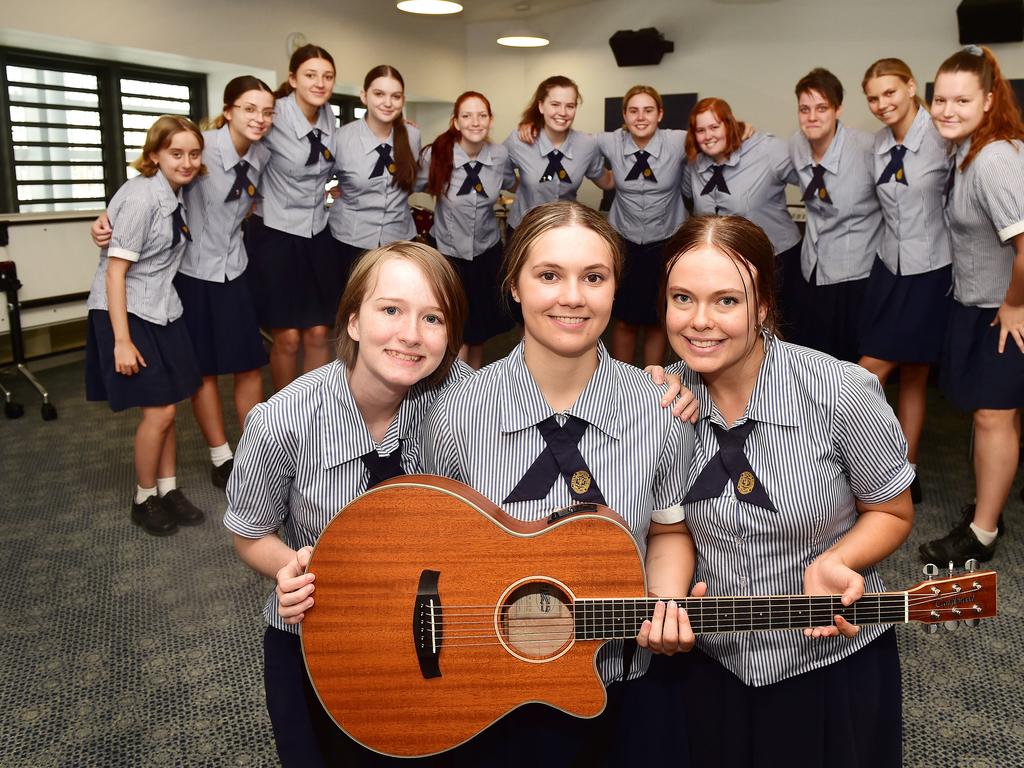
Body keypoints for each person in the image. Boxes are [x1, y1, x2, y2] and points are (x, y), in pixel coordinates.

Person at [421, 200, 697, 766]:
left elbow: (668, 531)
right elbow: (436, 549)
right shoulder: (455, 411)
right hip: (493, 687)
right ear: (515, 285)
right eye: (549, 275)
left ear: (615, 290)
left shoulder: (661, 409)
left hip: (622, 680)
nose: (573, 296)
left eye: (593, 277)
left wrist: (665, 601)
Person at [659, 214, 913, 767]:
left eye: (726, 301)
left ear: (765, 305)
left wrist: (838, 558)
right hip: (711, 662)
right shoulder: (657, 398)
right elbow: (668, 526)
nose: (700, 321)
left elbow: (892, 512)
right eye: (683, 298)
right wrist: (671, 594)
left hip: (824, 664)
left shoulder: (841, 391)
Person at [225, 241, 470, 766]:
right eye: (390, 310)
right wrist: (290, 567)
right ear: (353, 322)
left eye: (433, 317)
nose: (410, 334)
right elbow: (248, 532)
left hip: (434, 633)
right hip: (319, 638)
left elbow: (546, 386)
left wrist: (658, 384)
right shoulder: (283, 421)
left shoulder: (466, 399)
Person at [92, 76, 275, 489]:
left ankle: (256, 453)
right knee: (204, 371)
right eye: (249, 108)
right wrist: (105, 222)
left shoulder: (262, 153)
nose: (258, 118)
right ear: (228, 110)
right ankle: (220, 456)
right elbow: (146, 185)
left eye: (266, 111)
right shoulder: (200, 146)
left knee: (249, 365)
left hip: (235, 267)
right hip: (192, 275)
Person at [919, 45, 1024, 563]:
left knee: (993, 418)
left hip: (1002, 309)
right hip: (976, 302)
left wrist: (1015, 306)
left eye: (961, 100)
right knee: (989, 416)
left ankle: (982, 532)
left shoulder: (994, 159)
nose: (947, 110)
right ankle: (988, 506)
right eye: (939, 99)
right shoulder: (964, 150)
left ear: (988, 100)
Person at [84, 115, 207, 536]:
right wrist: (121, 340)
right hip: (127, 312)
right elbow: (114, 273)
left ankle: (168, 488)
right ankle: (144, 498)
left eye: (193, 153)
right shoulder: (142, 197)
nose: (186, 162)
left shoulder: (177, 192)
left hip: (163, 308)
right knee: (160, 411)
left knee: (172, 405)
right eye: (176, 153)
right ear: (153, 155)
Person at [857, 58, 953, 505]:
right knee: (906, 375)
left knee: (871, 371)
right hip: (888, 266)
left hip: (931, 269)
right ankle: (899, 473)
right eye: (873, 97)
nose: (882, 104)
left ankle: (895, 469)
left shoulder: (943, 136)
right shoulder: (878, 142)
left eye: (890, 93)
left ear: (912, 87)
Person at [245, 44, 338, 391]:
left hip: (317, 233)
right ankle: (284, 413)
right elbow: (235, 141)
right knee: (287, 339)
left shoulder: (329, 115)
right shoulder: (274, 115)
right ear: (292, 79)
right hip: (276, 235)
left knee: (318, 332)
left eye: (327, 76)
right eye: (311, 75)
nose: (320, 82)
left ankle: (312, 408)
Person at [684, 97, 802, 338]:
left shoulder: (766, 150)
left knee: (778, 330)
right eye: (701, 130)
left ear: (730, 125)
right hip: (726, 264)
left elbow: (807, 175)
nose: (708, 136)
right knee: (738, 329)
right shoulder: (695, 165)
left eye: (715, 127)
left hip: (776, 260)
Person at [789, 68, 883, 362]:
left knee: (850, 363)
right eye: (805, 109)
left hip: (855, 272)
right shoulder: (796, 144)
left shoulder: (868, 148)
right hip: (812, 269)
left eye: (821, 108)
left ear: (838, 109)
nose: (812, 117)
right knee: (813, 359)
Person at [420, 90, 516, 368]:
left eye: (482, 115)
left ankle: (472, 387)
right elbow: (406, 182)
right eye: (467, 116)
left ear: (490, 119)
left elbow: (514, 182)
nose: (475, 122)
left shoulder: (499, 155)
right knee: (452, 331)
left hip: (486, 253)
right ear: (456, 122)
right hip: (449, 254)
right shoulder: (436, 154)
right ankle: (450, 393)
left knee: (477, 334)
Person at [595, 85, 687, 367]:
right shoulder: (610, 142)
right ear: (624, 115)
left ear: (660, 114)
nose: (641, 117)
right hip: (624, 241)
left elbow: (716, 133)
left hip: (666, 240)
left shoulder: (679, 140)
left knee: (657, 317)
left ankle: (652, 383)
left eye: (648, 110)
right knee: (624, 317)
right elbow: (573, 142)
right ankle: (622, 379)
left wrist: (743, 128)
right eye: (633, 111)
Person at [329, 65, 421, 288]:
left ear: (403, 100)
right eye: (379, 94)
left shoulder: (412, 135)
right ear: (364, 96)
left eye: (395, 96)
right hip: (349, 241)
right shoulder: (341, 138)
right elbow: (312, 178)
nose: (387, 103)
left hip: (399, 239)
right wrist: (329, 191)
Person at [504, 76, 611, 239]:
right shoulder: (519, 140)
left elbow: (606, 181)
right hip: (523, 231)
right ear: (541, 106)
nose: (563, 112)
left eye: (570, 106)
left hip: (565, 231)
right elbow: (501, 174)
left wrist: (639, 166)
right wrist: (527, 187)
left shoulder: (587, 144)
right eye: (555, 104)